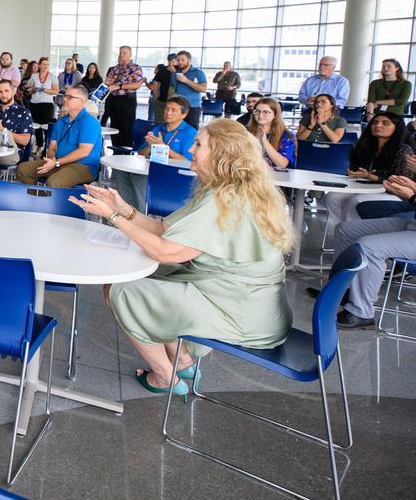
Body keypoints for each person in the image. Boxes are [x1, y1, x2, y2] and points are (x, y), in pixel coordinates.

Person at [71, 119, 295, 397]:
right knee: (137, 281)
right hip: (243, 298)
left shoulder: (223, 200)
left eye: (199, 144)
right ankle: (184, 361)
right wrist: (124, 209)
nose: (190, 149)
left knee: (122, 291)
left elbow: (164, 252)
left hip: (241, 310)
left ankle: (165, 375)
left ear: (221, 155)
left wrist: (113, 217)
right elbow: (167, 231)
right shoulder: (230, 190)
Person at [324, 169, 416, 327]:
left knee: (369, 248)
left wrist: (414, 197)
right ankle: (344, 291)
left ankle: (361, 312)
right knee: (345, 230)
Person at [322, 110, 416, 225]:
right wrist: (353, 172)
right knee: (332, 197)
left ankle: (351, 233)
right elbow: (356, 168)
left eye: (385, 123)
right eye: (375, 122)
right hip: (366, 188)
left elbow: (403, 182)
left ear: (396, 128)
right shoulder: (366, 146)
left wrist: (372, 177)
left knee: (355, 201)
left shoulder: (404, 150)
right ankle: (341, 229)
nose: (378, 125)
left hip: (394, 193)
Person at [115, 96, 198, 213]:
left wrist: (164, 147)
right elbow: (140, 153)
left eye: (173, 110)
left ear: (183, 115)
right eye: (166, 109)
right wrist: (149, 146)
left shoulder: (190, 133)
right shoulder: (157, 128)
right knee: (120, 172)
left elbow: (187, 161)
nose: (168, 113)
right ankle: (130, 211)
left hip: (175, 174)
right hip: (153, 168)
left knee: (139, 178)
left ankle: (141, 215)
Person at [16, 85, 103, 187]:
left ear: (83, 101)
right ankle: (37, 198)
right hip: (59, 162)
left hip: (84, 166)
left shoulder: (89, 121)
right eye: (65, 96)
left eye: (70, 97)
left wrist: (56, 162)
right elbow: (52, 147)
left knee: (54, 182)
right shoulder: (61, 122)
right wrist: (52, 160)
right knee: (23, 169)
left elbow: (83, 151)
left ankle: (47, 201)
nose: (65, 99)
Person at [0, 78, 34, 168]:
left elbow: (25, 141)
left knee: (2, 134)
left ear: (13, 91)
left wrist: (2, 130)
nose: (3, 95)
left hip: (10, 154)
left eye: (6, 91)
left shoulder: (23, 113)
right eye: (0, 92)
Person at [104, 46, 146, 136]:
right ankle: (115, 149)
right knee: (114, 127)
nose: (122, 55)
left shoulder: (135, 68)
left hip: (127, 100)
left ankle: (126, 149)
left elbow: (137, 85)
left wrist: (119, 86)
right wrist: (108, 82)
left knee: (126, 128)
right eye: (120, 52)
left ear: (130, 54)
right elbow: (109, 83)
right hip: (113, 99)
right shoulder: (114, 68)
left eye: (124, 53)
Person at [244, 97, 295, 169]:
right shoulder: (245, 131)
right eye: (257, 111)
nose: (260, 115)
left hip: (274, 176)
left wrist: (265, 141)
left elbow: (282, 164)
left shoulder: (286, 135)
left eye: (265, 112)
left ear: (275, 115)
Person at [168, 50, 207, 128]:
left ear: (189, 60)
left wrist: (186, 80)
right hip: (177, 107)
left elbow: (203, 89)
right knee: (176, 128)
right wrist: (169, 99)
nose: (180, 62)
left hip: (193, 107)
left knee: (192, 131)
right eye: (178, 60)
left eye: (183, 60)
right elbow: (171, 88)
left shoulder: (198, 72)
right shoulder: (174, 74)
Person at [26, 56, 59, 126]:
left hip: (47, 104)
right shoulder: (34, 76)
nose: (46, 66)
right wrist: (33, 90)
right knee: (36, 126)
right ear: (39, 65)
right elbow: (28, 90)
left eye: (47, 64)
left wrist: (44, 89)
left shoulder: (53, 76)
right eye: (44, 64)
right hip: (34, 103)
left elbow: (55, 91)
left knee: (46, 126)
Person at [148, 55, 176, 121]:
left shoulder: (179, 71)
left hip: (175, 101)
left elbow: (175, 85)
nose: (171, 64)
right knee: (160, 120)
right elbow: (156, 83)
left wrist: (174, 72)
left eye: (173, 62)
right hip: (162, 100)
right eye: (169, 62)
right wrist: (156, 97)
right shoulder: (163, 70)